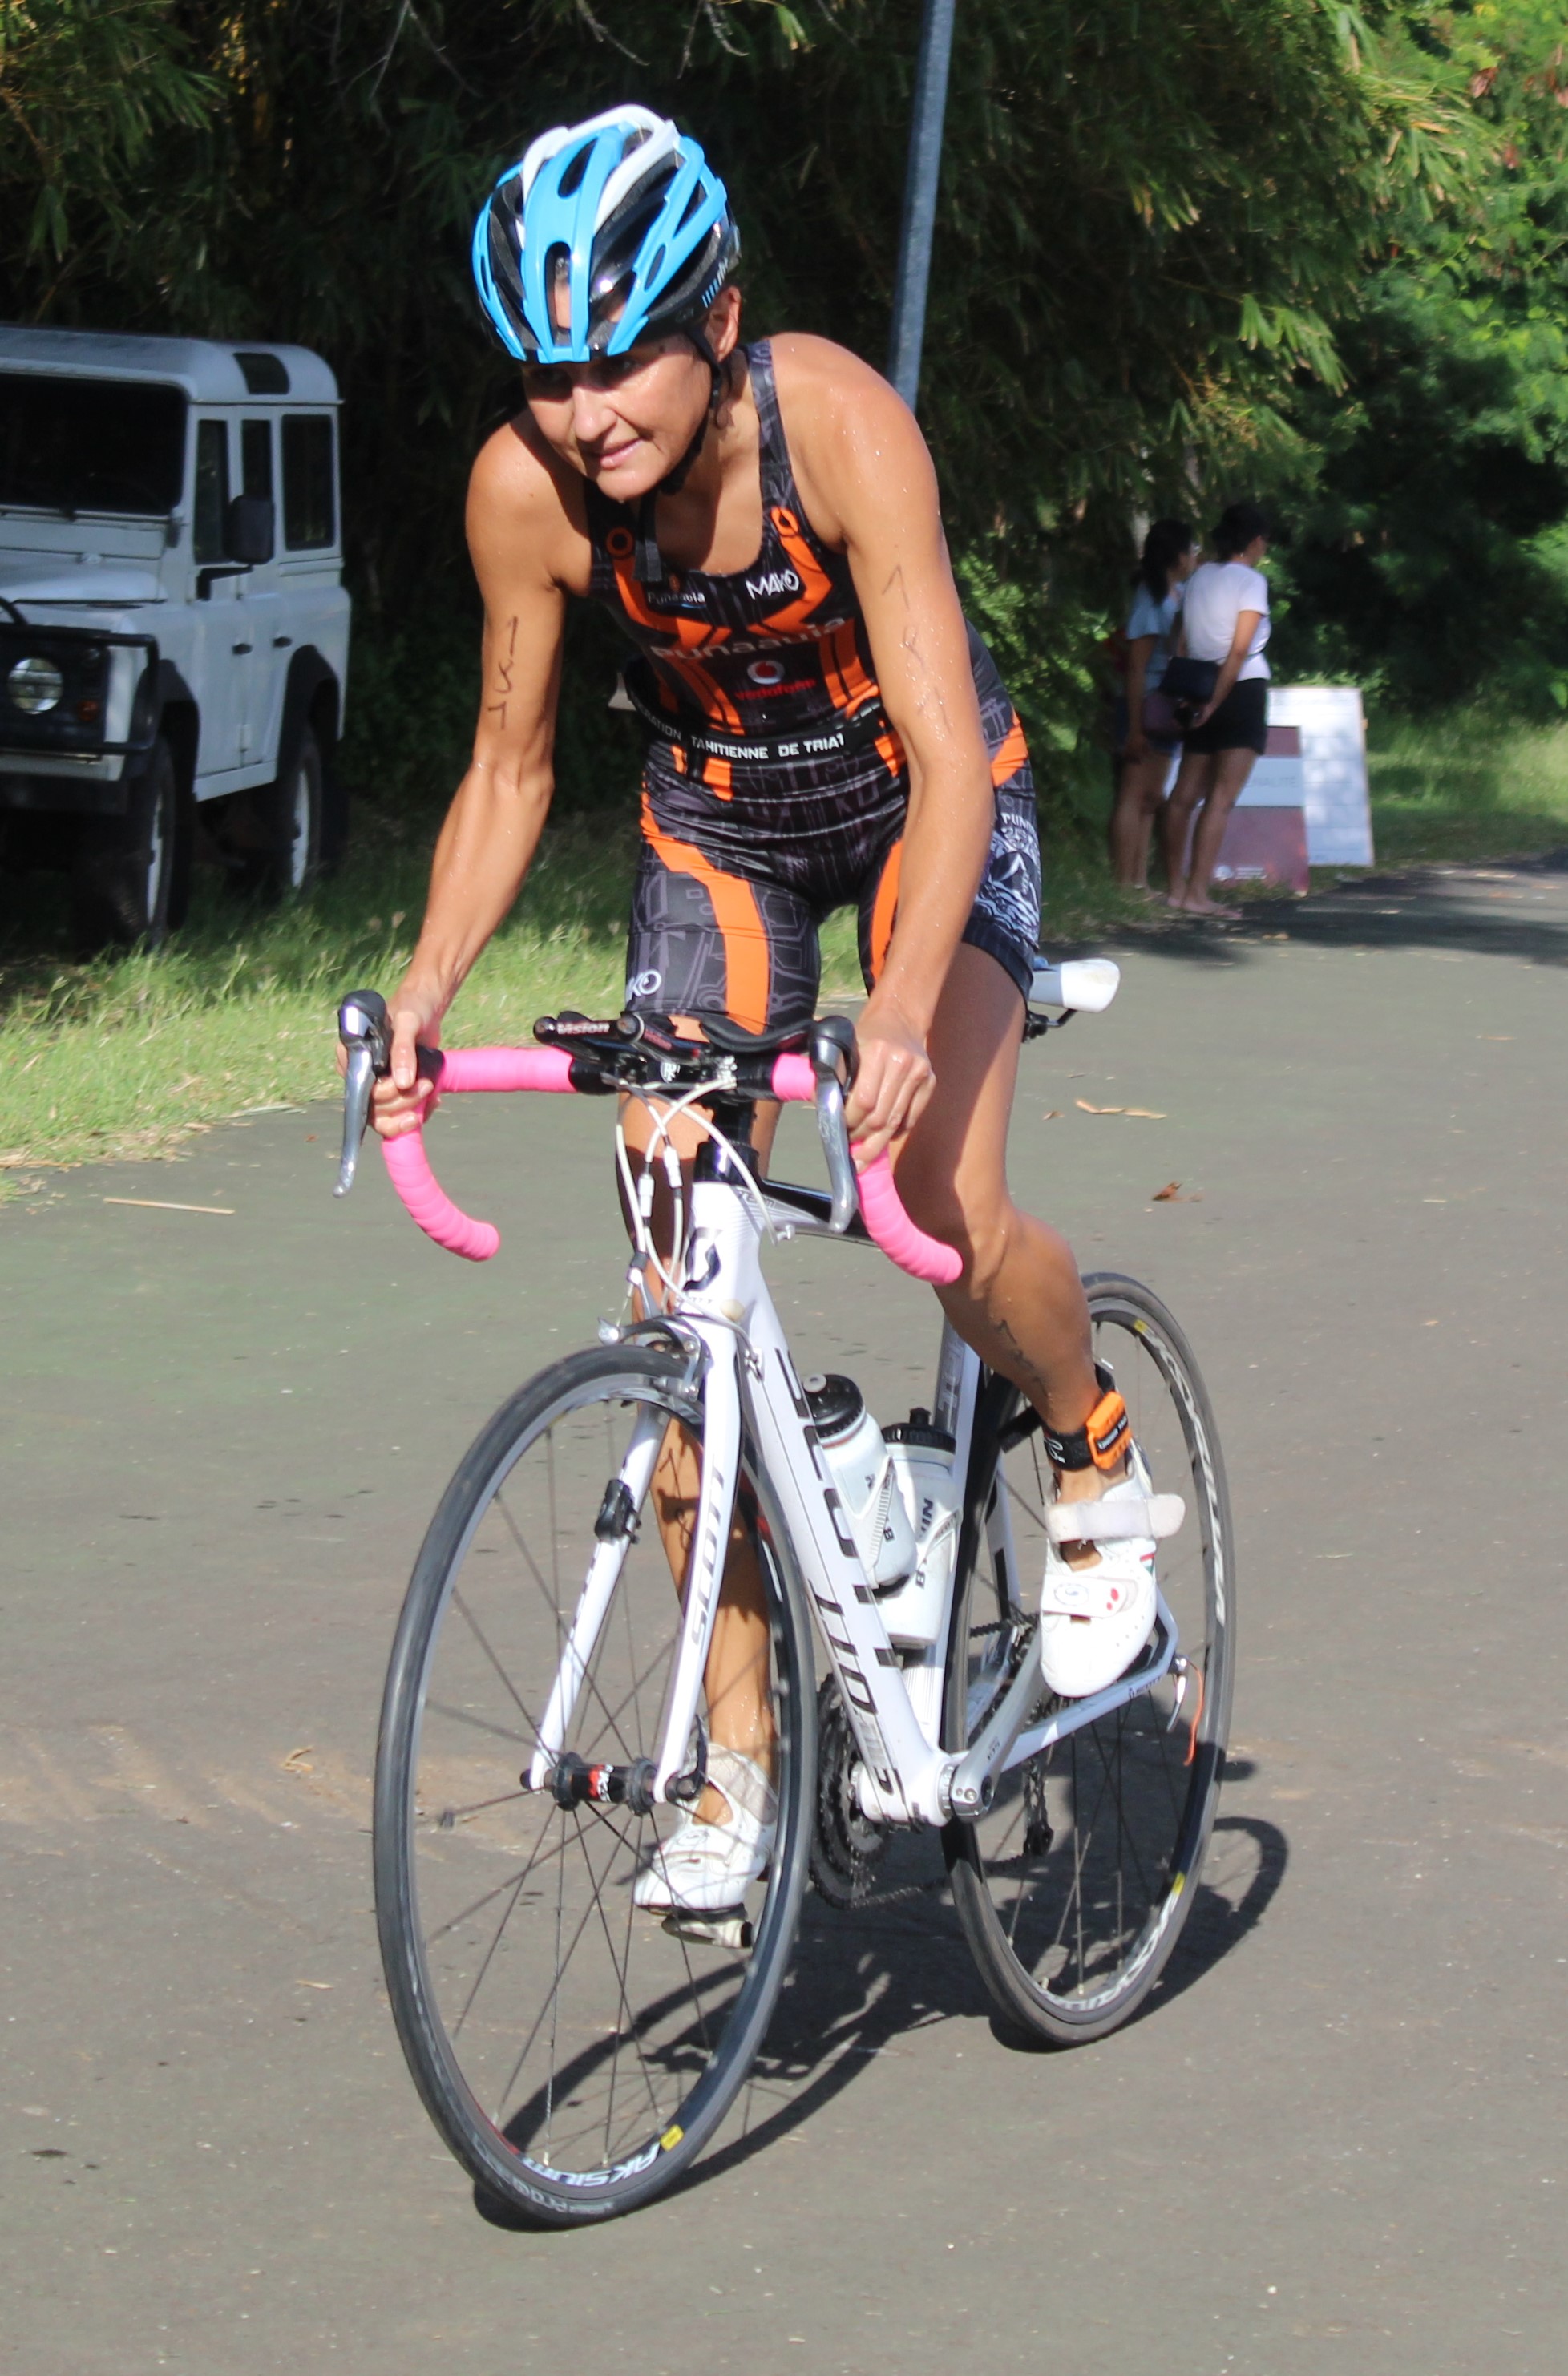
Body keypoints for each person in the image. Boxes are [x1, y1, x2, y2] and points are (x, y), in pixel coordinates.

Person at [365, 106, 1163, 1911]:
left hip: (922, 811)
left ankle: (1093, 1453)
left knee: (942, 1210)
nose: (587, 413)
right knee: (680, 1315)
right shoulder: (531, 491)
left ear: (716, 318)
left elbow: (953, 758)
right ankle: (740, 1768)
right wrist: (425, 993)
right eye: (549, 373)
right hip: (719, 830)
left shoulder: (840, 425)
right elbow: (508, 767)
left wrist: (896, 1007)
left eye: (622, 357)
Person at [1161, 501, 1271, 916]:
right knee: (1220, 799)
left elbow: (1183, 641)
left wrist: (1193, 695)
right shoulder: (1251, 583)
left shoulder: (1200, 577)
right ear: (1257, 541)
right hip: (1238, 691)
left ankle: (1175, 887)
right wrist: (1217, 701)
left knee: (1183, 794)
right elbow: (1240, 648)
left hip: (1198, 682)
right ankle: (1197, 893)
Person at [1109, 519, 1197, 888]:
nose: (1196, 557)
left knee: (1151, 797)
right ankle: (1124, 881)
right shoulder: (1150, 597)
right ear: (1178, 555)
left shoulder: (1179, 594)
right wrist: (1133, 726)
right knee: (1133, 793)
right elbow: (1136, 667)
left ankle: (1139, 880)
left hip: (1167, 706)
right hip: (1145, 705)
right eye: (1192, 550)